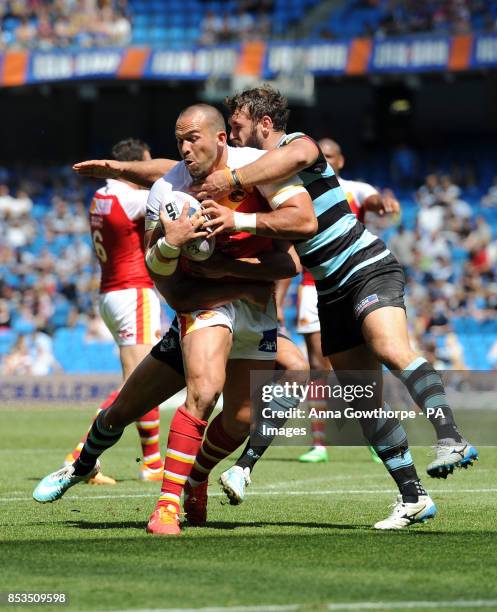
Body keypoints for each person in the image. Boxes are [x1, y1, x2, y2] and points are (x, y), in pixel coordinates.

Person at [191, 85, 477, 529]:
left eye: (237, 125)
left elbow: (302, 154)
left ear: (264, 124)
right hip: (330, 289)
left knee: (389, 347)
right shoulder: (256, 175)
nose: (231, 133)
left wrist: (232, 185)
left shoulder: (295, 145)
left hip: (365, 266)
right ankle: (414, 497)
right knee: (363, 399)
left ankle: (451, 437)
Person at [33, 104, 314, 537]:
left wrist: (233, 239)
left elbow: (298, 237)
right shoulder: (167, 191)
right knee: (190, 395)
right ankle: (141, 494)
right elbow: (163, 279)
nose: (184, 148)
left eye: (193, 138)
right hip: (201, 304)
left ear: (221, 139)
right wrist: (171, 245)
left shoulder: (254, 170)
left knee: (239, 418)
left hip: (254, 309)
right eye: (179, 139)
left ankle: (196, 477)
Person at [63, 138, 165, 484]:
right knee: (137, 384)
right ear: (135, 166)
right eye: (145, 166)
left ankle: (152, 463)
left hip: (110, 293)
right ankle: (81, 456)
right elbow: (166, 181)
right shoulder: (133, 198)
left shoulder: (101, 196)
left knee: (142, 381)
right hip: (133, 292)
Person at [295, 137, 400, 464]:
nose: (324, 159)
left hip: (351, 283)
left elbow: (370, 201)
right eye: (320, 155)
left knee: (364, 365)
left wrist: (381, 203)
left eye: (329, 156)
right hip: (311, 288)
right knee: (318, 366)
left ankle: (375, 431)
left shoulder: (354, 188)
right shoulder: (298, 190)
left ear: (339, 161)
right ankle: (319, 443)